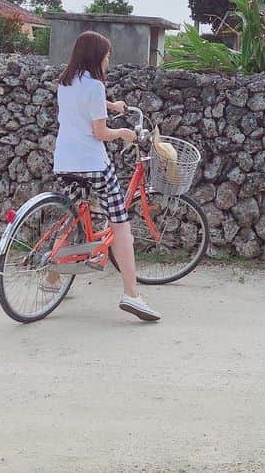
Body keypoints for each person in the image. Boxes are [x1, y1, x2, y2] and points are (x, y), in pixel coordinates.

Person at [51, 31, 160, 322]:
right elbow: (100, 133)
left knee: (71, 216)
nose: (109, 61)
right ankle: (132, 294)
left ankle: (50, 278)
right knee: (120, 223)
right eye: (108, 56)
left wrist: (112, 106)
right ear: (97, 57)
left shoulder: (66, 81)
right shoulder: (95, 86)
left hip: (64, 161)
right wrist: (124, 133)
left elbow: (84, 106)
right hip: (92, 164)